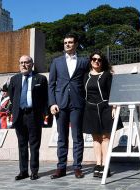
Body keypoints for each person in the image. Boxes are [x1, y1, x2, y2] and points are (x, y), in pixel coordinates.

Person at [48, 33, 88, 179]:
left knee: (77, 136)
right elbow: (51, 84)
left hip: (77, 103)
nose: (67, 44)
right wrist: (52, 103)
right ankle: (61, 167)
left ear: (76, 44)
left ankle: (77, 167)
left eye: (70, 42)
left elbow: (87, 81)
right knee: (62, 137)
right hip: (60, 104)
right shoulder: (56, 62)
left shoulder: (84, 61)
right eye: (65, 42)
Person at [83, 51, 123, 178]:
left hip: (105, 108)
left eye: (99, 60)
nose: (96, 61)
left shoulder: (107, 75)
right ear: (90, 61)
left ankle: (106, 166)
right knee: (95, 138)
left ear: (102, 62)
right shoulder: (85, 76)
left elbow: (113, 92)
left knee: (106, 138)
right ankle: (98, 164)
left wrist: (114, 107)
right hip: (90, 109)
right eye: (94, 59)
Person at [9, 55, 48, 180]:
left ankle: (34, 171)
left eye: (26, 62)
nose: (23, 65)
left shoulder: (40, 79)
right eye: (21, 63)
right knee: (22, 145)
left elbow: (45, 98)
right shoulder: (14, 79)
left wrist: (44, 114)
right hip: (20, 115)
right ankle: (23, 171)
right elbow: (12, 96)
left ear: (31, 64)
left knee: (34, 144)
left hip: (34, 115)